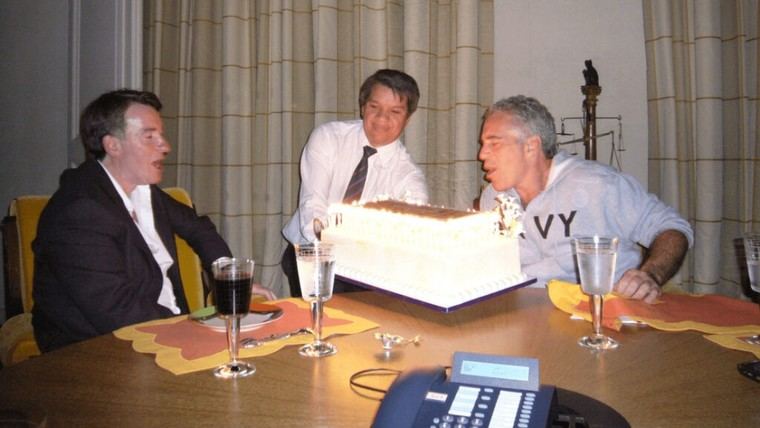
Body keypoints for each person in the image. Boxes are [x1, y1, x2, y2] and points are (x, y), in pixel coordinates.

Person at [32, 89, 275, 352]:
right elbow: (116, 311)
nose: (166, 146)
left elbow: (199, 229)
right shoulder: (80, 212)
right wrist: (195, 332)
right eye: (149, 137)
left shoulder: (142, 191)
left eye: (161, 135)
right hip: (98, 353)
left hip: (160, 333)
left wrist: (230, 279)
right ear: (113, 145)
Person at [477, 95, 693, 303]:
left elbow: (672, 228)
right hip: (524, 311)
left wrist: (651, 275)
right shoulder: (494, 199)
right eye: (483, 144)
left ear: (531, 146)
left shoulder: (598, 185)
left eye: (494, 144)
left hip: (601, 311)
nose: (482, 155)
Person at [282, 69, 429, 296]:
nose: (382, 118)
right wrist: (330, 257)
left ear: (408, 118)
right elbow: (313, 206)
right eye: (374, 107)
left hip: (368, 270)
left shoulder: (408, 178)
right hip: (311, 252)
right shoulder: (328, 137)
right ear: (362, 107)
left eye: (395, 111)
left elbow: (409, 236)